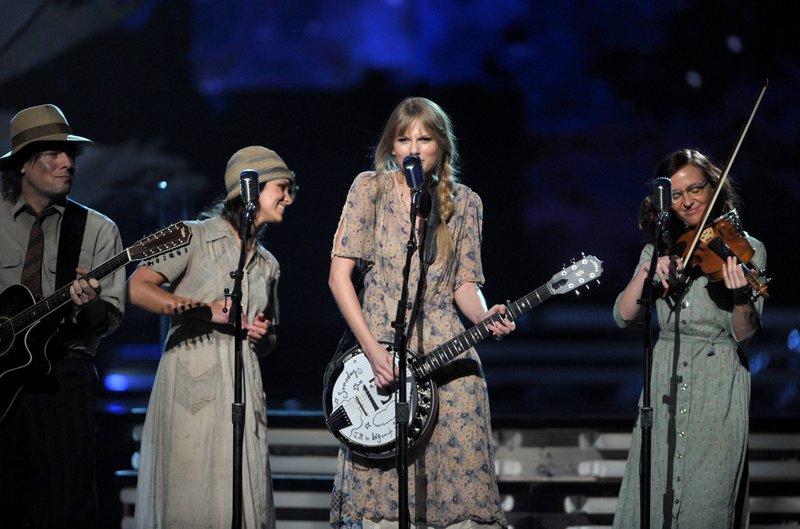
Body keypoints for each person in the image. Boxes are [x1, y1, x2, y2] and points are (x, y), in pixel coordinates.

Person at [328, 96, 515, 529]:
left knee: (458, 496)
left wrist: (485, 317)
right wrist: (372, 351)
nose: (414, 147)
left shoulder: (466, 204)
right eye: (404, 138)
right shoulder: (369, 189)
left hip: (448, 358)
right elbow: (340, 279)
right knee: (384, 498)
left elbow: (464, 284)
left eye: (425, 138)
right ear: (392, 147)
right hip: (383, 360)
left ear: (441, 145)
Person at [128, 145, 296, 529]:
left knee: (240, 501)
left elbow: (269, 341)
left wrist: (262, 333)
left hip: (242, 390)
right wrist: (206, 309)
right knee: (192, 501)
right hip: (192, 392)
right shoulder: (192, 235)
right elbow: (138, 286)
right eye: (281, 188)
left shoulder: (269, 265)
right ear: (251, 189)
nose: (289, 198)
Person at [612, 148, 766, 529]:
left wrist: (742, 296)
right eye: (677, 195)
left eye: (695, 189)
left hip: (719, 384)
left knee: (707, 496)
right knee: (654, 493)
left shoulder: (747, 248)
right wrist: (647, 271)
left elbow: (745, 336)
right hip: (665, 378)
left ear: (714, 187)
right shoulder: (661, 250)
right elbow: (623, 315)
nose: (688, 202)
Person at [0, 104, 126, 528]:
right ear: (23, 164)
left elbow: (106, 320)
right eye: (54, 153)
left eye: (70, 154)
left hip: (62, 377)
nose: (67, 162)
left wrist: (87, 302)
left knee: (65, 507)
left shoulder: (97, 230)